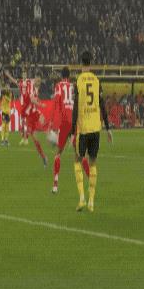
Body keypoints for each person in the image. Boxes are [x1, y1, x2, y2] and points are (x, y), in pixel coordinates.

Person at [70, 51, 112, 212]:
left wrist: (72, 130)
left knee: (77, 160)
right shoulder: (96, 80)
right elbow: (102, 105)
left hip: (83, 128)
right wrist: (108, 128)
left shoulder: (79, 80)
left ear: (81, 63)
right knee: (93, 162)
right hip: (96, 127)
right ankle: (91, 201)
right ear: (91, 63)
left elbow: (75, 107)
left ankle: (82, 198)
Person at [51, 67, 89, 194]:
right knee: (80, 154)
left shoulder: (58, 86)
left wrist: (53, 124)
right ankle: (91, 179)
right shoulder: (73, 86)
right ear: (69, 75)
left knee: (58, 154)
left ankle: (55, 185)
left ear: (61, 75)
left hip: (64, 122)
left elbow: (56, 103)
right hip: (74, 121)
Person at [4, 69, 29, 145]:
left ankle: (26, 139)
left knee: (25, 122)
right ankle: (23, 138)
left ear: (26, 75)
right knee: (22, 122)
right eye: (23, 74)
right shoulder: (20, 82)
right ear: (22, 75)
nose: (24, 75)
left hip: (28, 104)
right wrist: (8, 75)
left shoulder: (29, 82)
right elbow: (14, 81)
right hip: (22, 104)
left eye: (25, 74)